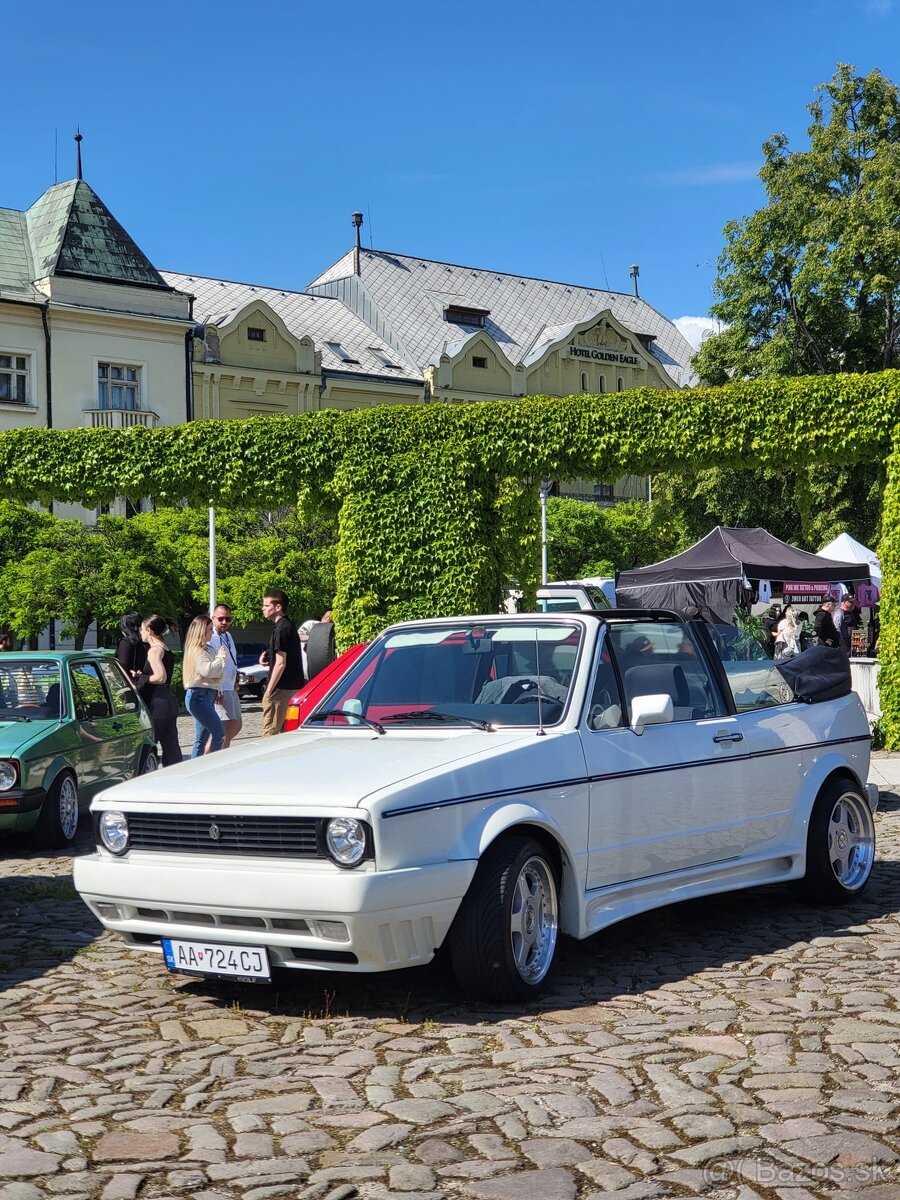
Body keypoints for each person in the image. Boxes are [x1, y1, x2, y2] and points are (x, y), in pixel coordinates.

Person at [260, 588, 304, 736]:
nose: (263, 609)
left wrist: (269, 690)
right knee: (287, 734)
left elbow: (281, 663)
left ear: (278, 607)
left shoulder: (282, 628)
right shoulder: (286, 626)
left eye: (266, 606)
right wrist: (267, 653)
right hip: (290, 687)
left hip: (281, 690)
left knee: (269, 734)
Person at [139, 614, 181, 767]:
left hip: (157, 701)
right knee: (171, 744)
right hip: (169, 699)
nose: (140, 632)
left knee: (150, 741)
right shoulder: (165, 647)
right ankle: (176, 775)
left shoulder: (154, 650)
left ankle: (147, 774)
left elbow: (160, 677)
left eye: (142, 629)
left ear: (149, 630)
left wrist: (142, 679)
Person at [183, 615, 228, 756]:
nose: (212, 632)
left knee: (201, 740)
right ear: (201, 631)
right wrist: (221, 657)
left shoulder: (208, 648)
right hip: (199, 697)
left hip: (207, 695)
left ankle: (195, 769)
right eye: (209, 629)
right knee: (219, 734)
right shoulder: (197, 650)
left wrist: (218, 688)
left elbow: (218, 671)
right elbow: (208, 670)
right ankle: (211, 764)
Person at [209, 603, 242, 750]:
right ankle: (209, 756)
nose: (224, 622)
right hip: (220, 687)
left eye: (228, 619)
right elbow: (212, 665)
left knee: (236, 724)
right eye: (221, 618)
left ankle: (223, 751)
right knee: (223, 727)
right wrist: (217, 689)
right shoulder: (211, 638)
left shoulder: (228, 636)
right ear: (213, 618)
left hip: (230, 685)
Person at [115, 611, 148, 681]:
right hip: (148, 685)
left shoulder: (126, 642)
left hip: (132, 684)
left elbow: (122, 666)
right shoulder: (147, 642)